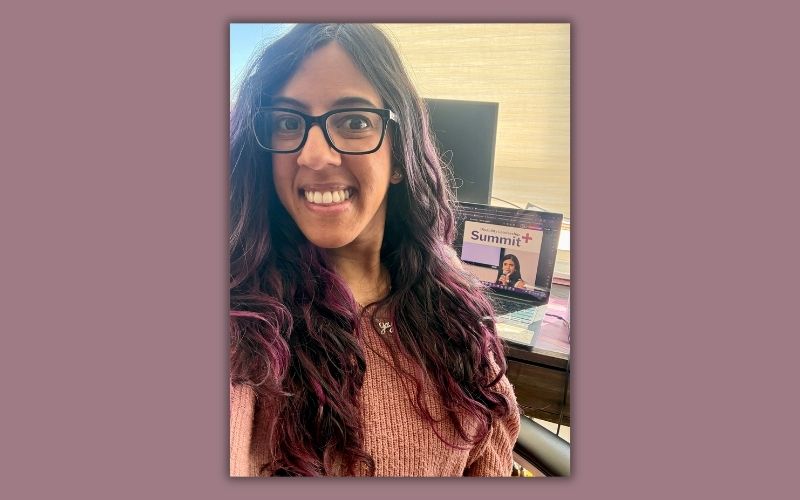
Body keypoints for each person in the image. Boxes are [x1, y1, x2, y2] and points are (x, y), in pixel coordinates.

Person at [229, 23, 520, 477]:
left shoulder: (454, 305)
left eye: (354, 122)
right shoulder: (247, 326)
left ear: (400, 155)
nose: (314, 156)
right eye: (288, 122)